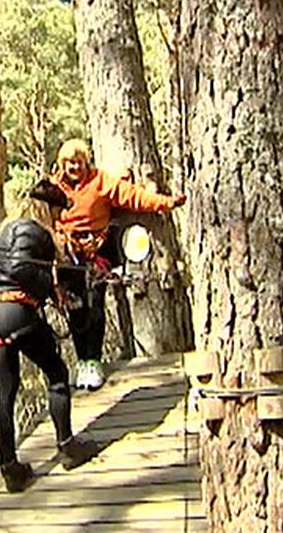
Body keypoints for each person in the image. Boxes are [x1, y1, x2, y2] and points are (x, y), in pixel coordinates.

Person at [0, 179, 99, 493]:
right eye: (57, 211)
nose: (59, 219)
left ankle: (10, 468)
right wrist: (53, 285)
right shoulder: (36, 231)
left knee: (6, 393)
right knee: (57, 373)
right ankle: (67, 446)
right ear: (46, 208)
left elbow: (13, 271)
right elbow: (23, 271)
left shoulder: (6, 230)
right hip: (17, 312)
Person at [51, 138, 186, 390]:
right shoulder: (54, 188)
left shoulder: (100, 181)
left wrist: (166, 203)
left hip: (96, 253)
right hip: (68, 255)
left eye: (79, 162)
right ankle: (82, 362)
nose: (75, 168)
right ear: (62, 164)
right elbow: (38, 212)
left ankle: (93, 361)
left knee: (95, 304)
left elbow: (133, 196)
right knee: (75, 308)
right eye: (70, 163)